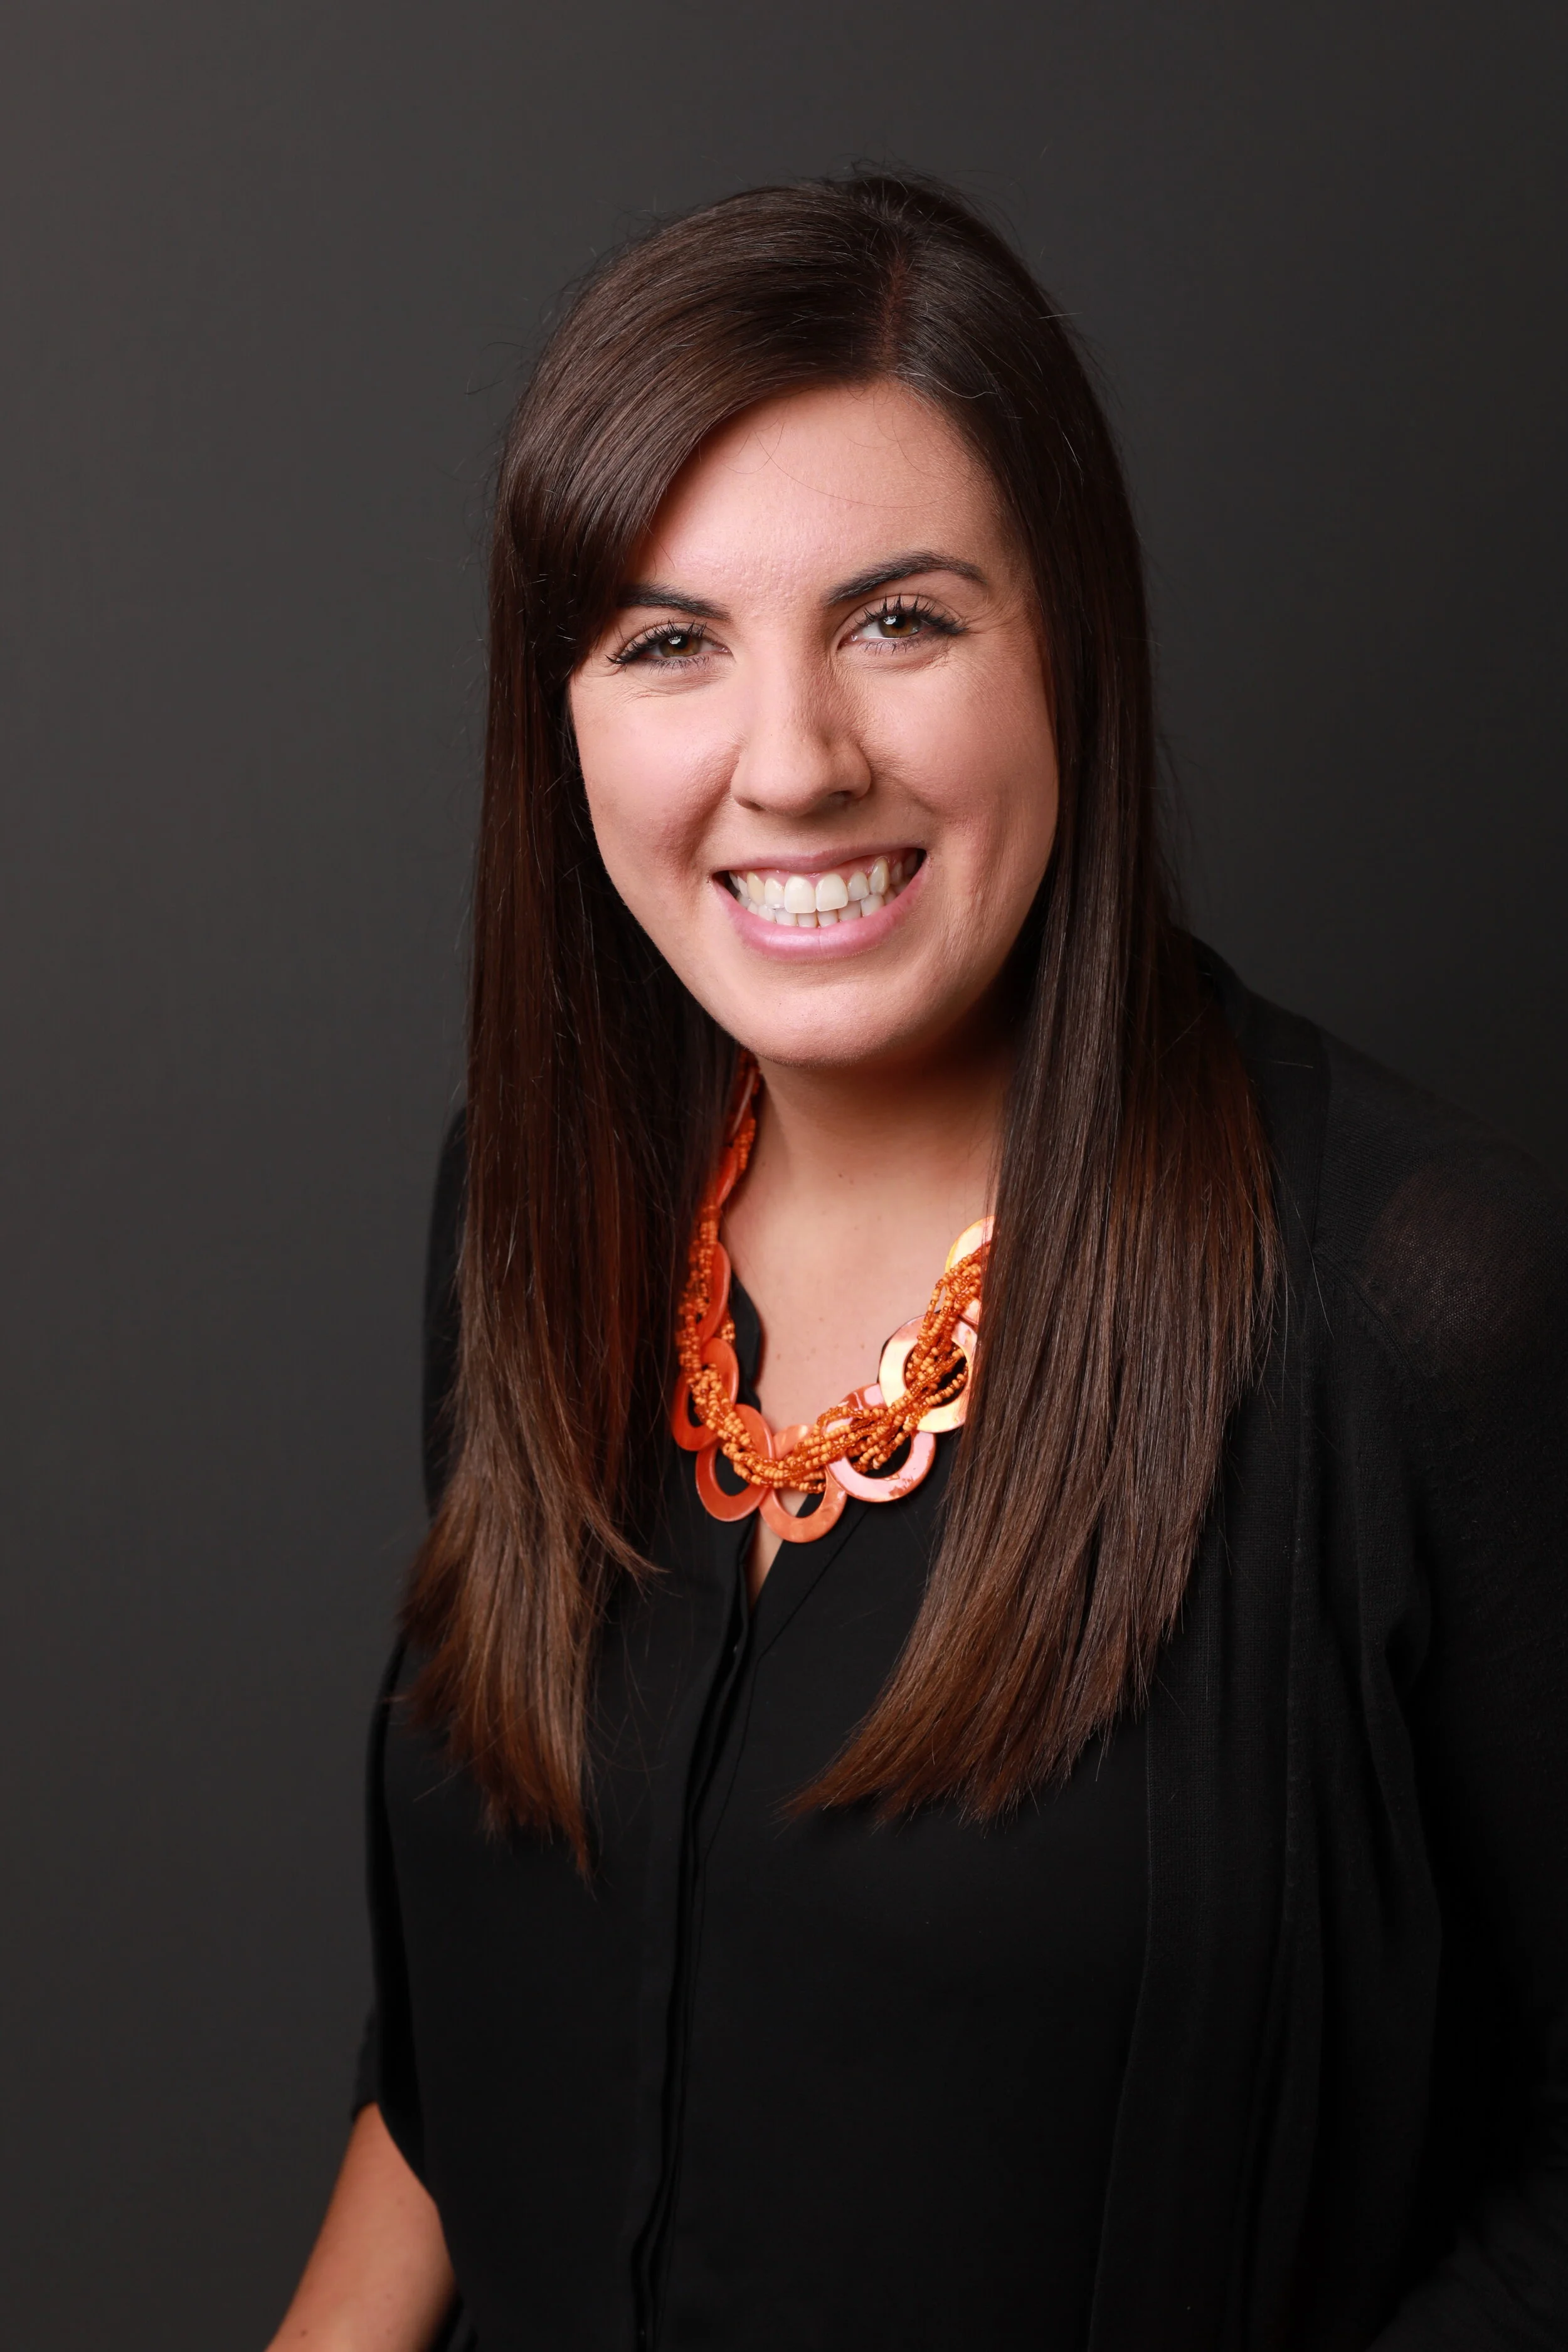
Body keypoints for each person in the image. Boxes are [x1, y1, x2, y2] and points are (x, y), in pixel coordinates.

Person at [267, 175, 1568, 2352]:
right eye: (666, 641)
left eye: (900, 619)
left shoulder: (1414, 1302)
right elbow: (476, 2045)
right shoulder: (530, 1212)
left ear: (1073, 642)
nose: (790, 762)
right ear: (559, 715)